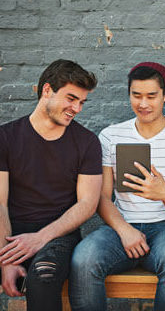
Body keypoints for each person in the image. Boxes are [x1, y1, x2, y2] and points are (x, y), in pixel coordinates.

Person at [69, 62, 165, 311]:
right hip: (121, 225)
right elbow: (102, 197)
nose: (143, 103)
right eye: (136, 95)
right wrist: (124, 230)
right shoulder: (111, 136)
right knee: (83, 259)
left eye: (151, 96)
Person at [0, 59, 102, 311]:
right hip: (8, 233)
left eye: (81, 102)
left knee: (44, 276)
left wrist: (39, 239)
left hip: (58, 237)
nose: (76, 108)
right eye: (71, 99)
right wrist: (6, 260)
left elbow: (88, 204)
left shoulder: (87, 142)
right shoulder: (5, 137)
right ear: (47, 90)